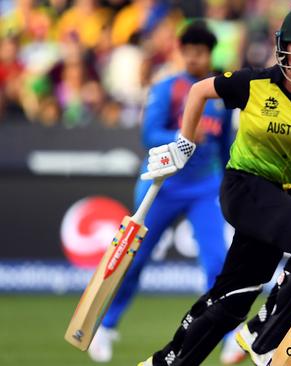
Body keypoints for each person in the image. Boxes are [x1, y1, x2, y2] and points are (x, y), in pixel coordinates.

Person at [137, 6, 291, 366]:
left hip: (279, 197)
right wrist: (185, 143)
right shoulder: (253, 82)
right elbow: (198, 91)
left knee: (232, 298)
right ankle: (262, 333)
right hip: (242, 186)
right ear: (283, 47)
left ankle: (167, 360)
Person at [88, 21, 233, 363]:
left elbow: (225, 144)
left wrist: (230, 181)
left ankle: (226, 336)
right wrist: (181, 139)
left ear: (210, 54)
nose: (196, 58)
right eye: (190, 52)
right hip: (163, 186)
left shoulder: (221, 93)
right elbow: (149, 134)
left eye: (202, 53)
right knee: (133, 261)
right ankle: (106, 325)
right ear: (181, 52)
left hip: (204, 187)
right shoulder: (168, 88)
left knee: (217, 264)